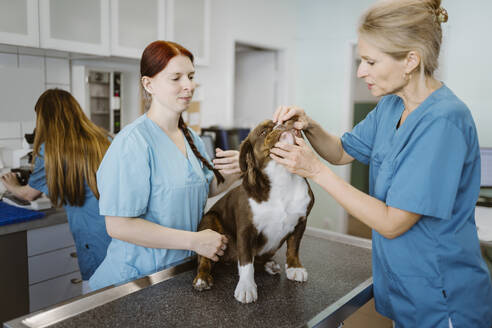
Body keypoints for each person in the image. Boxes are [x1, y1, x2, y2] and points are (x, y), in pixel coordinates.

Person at [270, 0, 492, 327]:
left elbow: (392, 222)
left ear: (410, 60)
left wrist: (315, 171)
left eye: (370, 61)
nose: (361, 71)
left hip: (443, 297)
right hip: (407, 287)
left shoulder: (444, 122)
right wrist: (309, 125)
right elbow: (342, 151)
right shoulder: (391, 106)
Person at [89, 41, 241, 290]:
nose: (189, 86)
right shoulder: (133, 142)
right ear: (148, 84)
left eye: (191, 77)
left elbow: (202, 187)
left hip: (177, 273)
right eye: (176, 78)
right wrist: (194, 241)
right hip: (136, 280)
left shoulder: (191, 137)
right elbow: (118, 225)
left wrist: (239, 169)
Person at [1, 89, 112, 293]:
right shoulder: (103, 139)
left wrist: (10, 184)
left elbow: (28, 194)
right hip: (118, 234)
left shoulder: (50, 149)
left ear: (44, 118)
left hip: (91, 238)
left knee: (95, 304)